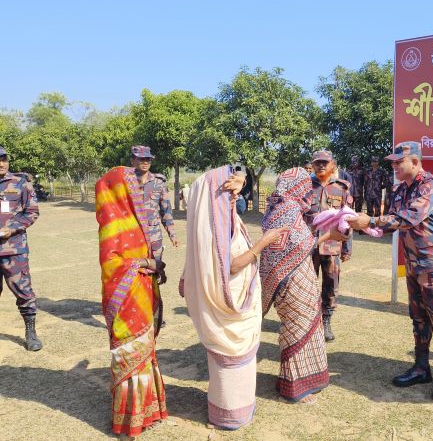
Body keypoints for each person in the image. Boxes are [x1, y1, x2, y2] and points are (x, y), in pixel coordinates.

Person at [349, 141, 433, 402]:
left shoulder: (430, 185)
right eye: (393, 162)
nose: (395, 166)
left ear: (416, 162)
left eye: (400, 162)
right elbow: (391, 220)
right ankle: (422, 367)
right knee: (419, 318)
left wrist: (372, 220)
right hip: (413, 263)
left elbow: (410, 217)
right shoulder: (399, 190)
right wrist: (365, 226)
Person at [179, 167, 283, 429]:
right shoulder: (219, 227)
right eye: (229, 195)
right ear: (217, 198)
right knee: (234, 362)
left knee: (226, 365)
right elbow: (233, 267)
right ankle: (232, 414)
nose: (235, 198)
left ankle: (225, 411)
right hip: (231, 306)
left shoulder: (208, 222)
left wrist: (240, 180)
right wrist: (263, 243)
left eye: (237, 193)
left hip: (223, 304)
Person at [259, 167, 348, 403]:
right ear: (297, 188)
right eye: (306, 189)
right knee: (299, 327)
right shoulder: (287, 209)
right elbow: (299, 246)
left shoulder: (278, 207)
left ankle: (304, 379)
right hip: (291, 281)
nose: (309, 195)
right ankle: (296, 387)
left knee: (300, 326)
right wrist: (329, 236)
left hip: (292, 277)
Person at [96, 166, 168, 437]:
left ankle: (150, 409)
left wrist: (154, 267)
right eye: (131, 187)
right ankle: (130, 418)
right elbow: (111, 263)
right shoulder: (112, 221)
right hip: (126, 298)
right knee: (131, 351)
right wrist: (148, 262)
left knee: (145, 350)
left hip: (142, 292)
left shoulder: (135, 219)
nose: (137, 192)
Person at [304, 150, 353, 342]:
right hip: (308, 244)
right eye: (318, 163)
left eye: (325, 162)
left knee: (331, 284)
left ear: (332, 164)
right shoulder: (305, 187)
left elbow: (348, 219)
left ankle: (326, 321)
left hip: (332, 245)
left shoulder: (341, 188)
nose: (321, 166)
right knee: (307, 284)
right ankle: (308, 321)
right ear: (313, 165)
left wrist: (347, 247)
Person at [0, 146, 42, 351]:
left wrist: (12, 228)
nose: (1, 163)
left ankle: (31, 332)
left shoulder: (20, 183)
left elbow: (32, 212)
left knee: (23, 292)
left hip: (13, 249)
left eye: (4, 158)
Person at [130, 145, 180, 261]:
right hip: (133, 235)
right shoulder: (126, 183)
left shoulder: (159, 182)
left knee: (156, 269)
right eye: (141, 159)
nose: (146, 162)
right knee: (136, 271)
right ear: (132, 161)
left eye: (148, 159)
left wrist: (173, 235)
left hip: (154, 237)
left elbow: (166, 211)